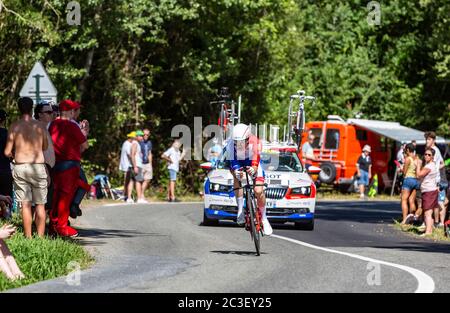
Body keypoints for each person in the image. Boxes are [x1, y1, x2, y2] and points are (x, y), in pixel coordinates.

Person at [4, 97, 48, 238]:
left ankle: (28, 237)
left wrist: (14, 155)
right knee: (40, 204)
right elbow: (45, 146)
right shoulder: (40, 126)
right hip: (38, 166)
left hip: (21, 167)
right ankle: (40, 238)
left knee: (26, 204)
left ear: (19, 108)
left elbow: (6, 152)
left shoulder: (14, 126)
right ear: (32, 108)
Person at [223, 123, 273, 236]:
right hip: (238, 161)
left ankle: (264, 218)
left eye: (241, 142)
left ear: (248, 138)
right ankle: (240, 210)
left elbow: (256, 157)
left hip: (252, 161)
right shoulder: (230, 144)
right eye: (236, 142)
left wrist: (254, 168)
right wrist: (236, 170)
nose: (239, 144)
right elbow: (233, 161)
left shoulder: (254, 141)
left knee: (258, 191)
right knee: (237, 176)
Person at [49, 100, 88, 238]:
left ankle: (53, 225)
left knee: (56, 195)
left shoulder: (53, 124)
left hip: (55, 165)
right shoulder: (72, 126)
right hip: (70, 165)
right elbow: (85, 145)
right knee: (66, 196)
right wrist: (84, 133)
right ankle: (62, 226)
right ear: (71, 111)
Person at [416, 148, 439, 236]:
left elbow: (419, 175)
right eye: (425, 154)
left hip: (429, 190)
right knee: (429, 212)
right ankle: (429, 229)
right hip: (431, 190)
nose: (426, 156)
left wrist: (418, 165)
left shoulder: (429, 166)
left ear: (432, 156)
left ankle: (428, 232)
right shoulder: (432, 165)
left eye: (429, 155)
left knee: (427, 213)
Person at [424, 132, 444, 226]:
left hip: (434, 180)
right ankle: (433, 223)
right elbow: (442, 163)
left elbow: (440, 164)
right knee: (434, 202)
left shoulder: (434, 151)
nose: (427, 141)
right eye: (426, 139)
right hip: (433, 178)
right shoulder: (432, 150)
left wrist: (434, 172)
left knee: (433, 202)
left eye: (429, 139)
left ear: (434, 141)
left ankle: (433, 223)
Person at [401, 144, 420, 224]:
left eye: (406, 150)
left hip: (408, 180)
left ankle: (405, 220)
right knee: (411, 200)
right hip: (416, 180)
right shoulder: (416, 158)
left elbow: (404, 172)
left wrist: (401, 169)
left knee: (404, 200)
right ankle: (412, 219)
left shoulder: (408, 159)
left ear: (408, 150)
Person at [119, 132, 136, 203]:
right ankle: (125, 195)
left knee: (127, 181)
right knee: (127, 181)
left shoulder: (125, 143)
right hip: (127, 165)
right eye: (133, 138)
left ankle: (125, 195)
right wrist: (134, 164)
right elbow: (130, 155)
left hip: (125, 165)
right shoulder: (127, 144)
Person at [129, 130, 145, 204]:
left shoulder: (135, 143)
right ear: (136, 136)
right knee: (138, 181)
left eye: (142, 136)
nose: (142, 137)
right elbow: (132, 155)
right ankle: (139, 198)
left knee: (132, 181)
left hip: (135, 165)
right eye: (140, 136)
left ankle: (129, 198)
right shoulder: (135, 143)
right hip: (137, 165)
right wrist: (135, 166)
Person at [0, 109, 12, 198]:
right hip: (5, 170)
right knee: (7, 199)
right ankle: (6, 211)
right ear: (4, 120)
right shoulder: (7, 133)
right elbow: (10, 152)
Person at [140, 128, 153, 203]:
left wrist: (150, 164)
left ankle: (142, 194)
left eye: (147, 135)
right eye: (144, 134)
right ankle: (141, 196)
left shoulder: (149, 143)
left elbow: (150, 153)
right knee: (140, 180)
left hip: (147, 163)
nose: (145, 136)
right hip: (141, 163)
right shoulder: (139, 142)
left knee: (147, 179)